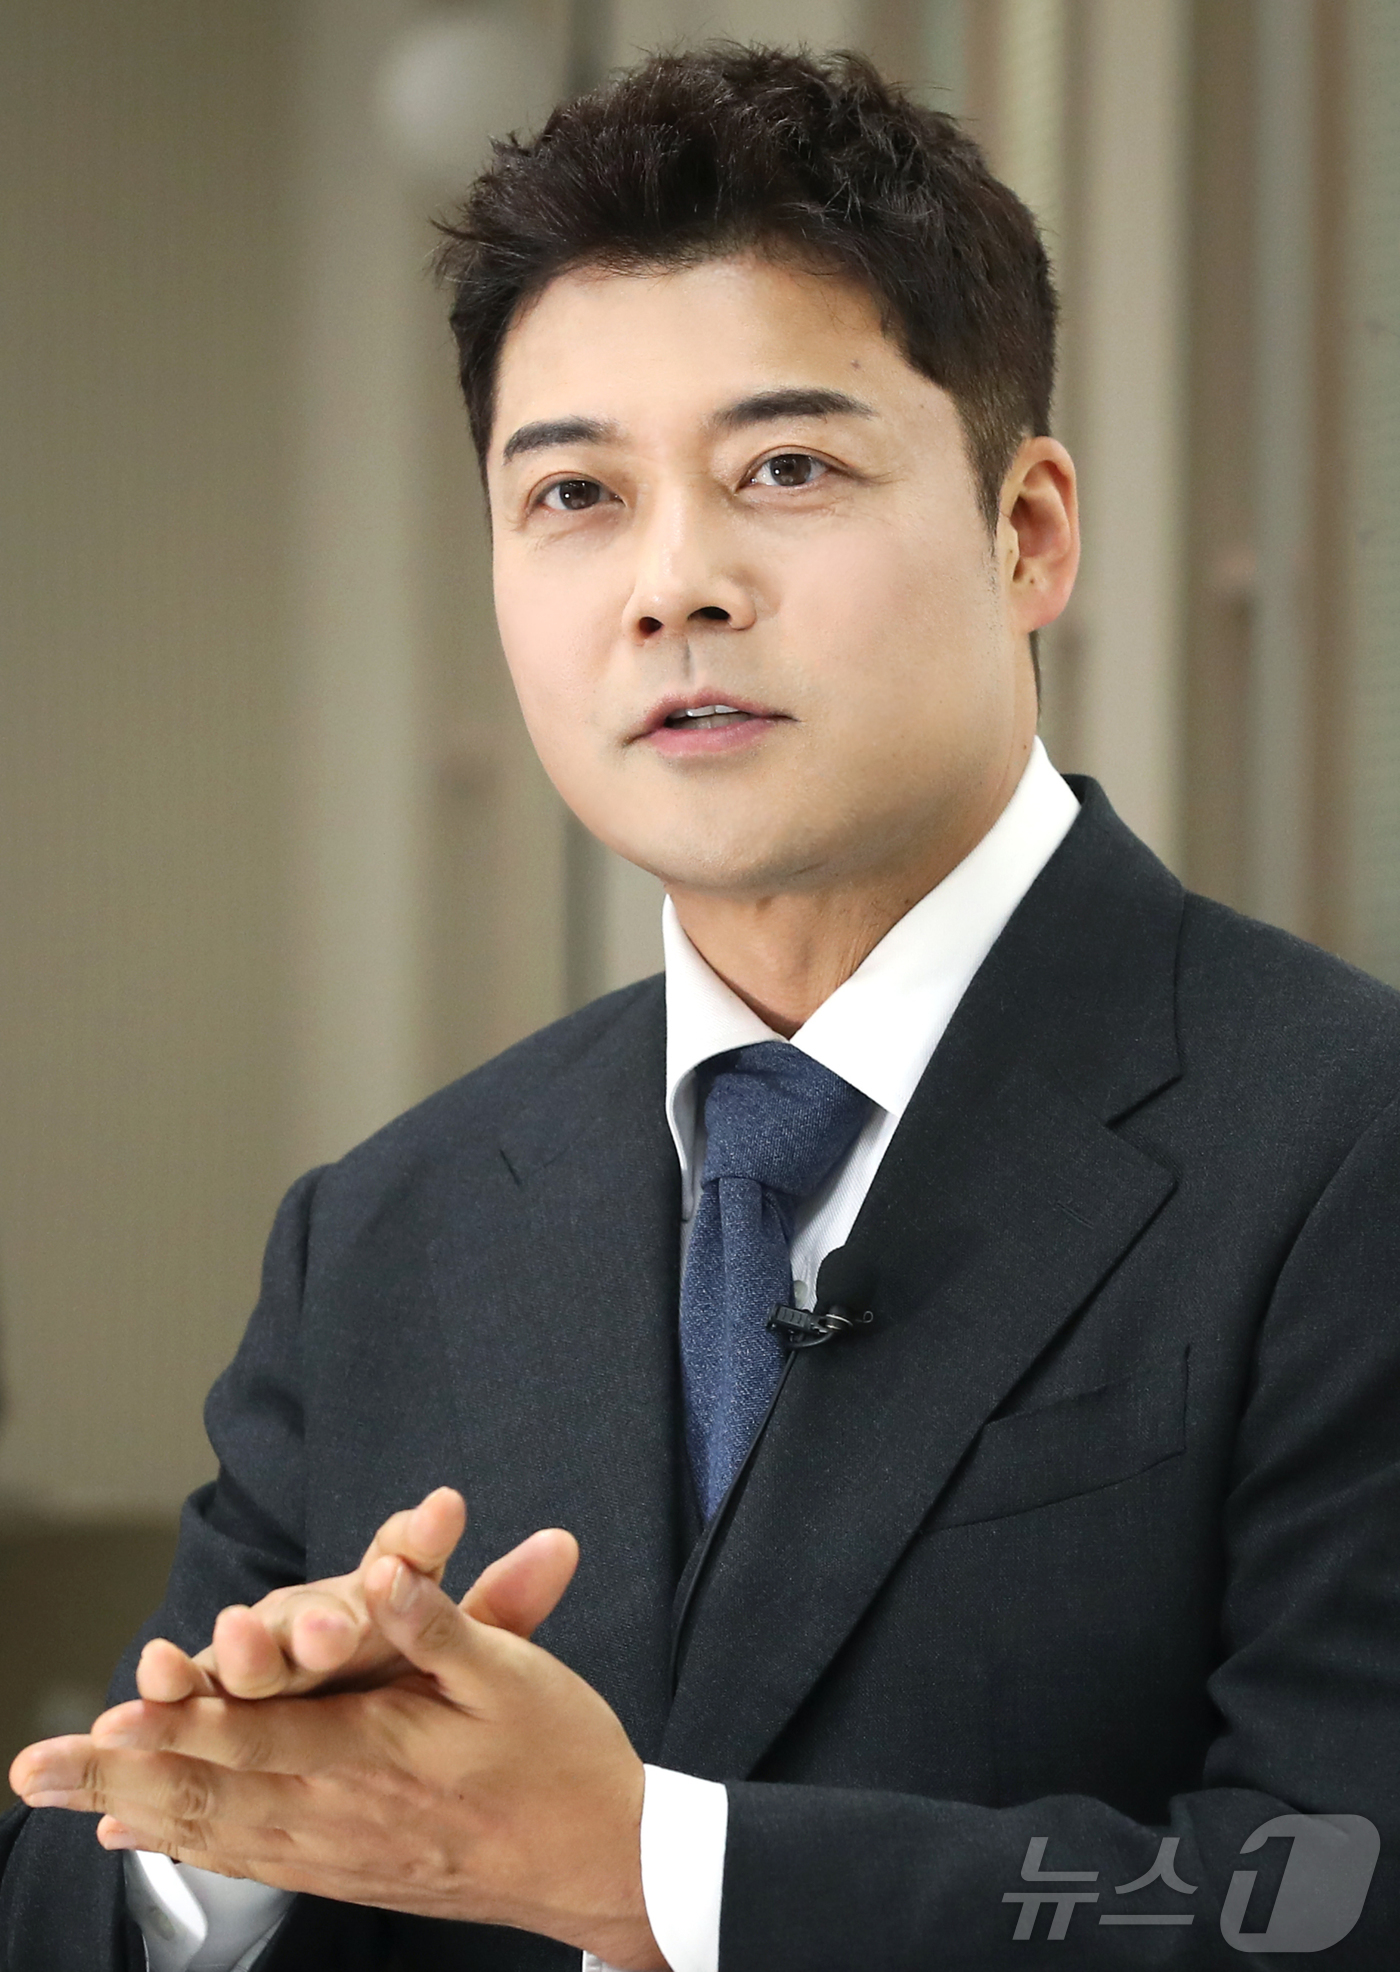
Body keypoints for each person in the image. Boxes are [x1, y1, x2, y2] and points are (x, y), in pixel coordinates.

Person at [4, 42, 1400, 1972]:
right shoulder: (386, 1231)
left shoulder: (1342, 1142)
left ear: (1027, 531)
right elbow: (70, 1903)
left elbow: (1338, 1899)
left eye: (787, 470)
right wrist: (237, 1840)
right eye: (575, 492)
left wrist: (659, 1869)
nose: (674, 586)